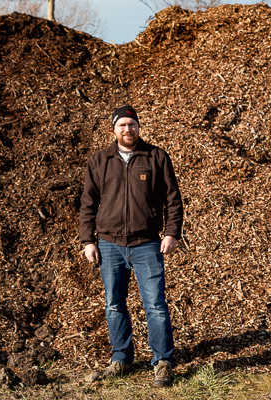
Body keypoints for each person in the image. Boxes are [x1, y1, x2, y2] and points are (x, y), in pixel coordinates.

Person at [79, 105, 183, 387]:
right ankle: (121, 359)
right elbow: (88, 204)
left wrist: (171, 233)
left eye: (132, 124)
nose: (128, 129)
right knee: (114, 304)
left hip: (147, 243)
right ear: (114, 129)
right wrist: (88, 240)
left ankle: (163, 361)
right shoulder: (100, 161)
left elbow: (173, 199)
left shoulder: (156, 157)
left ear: (139, 127)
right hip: (109, 244)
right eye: (122, 125)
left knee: (156, 305)